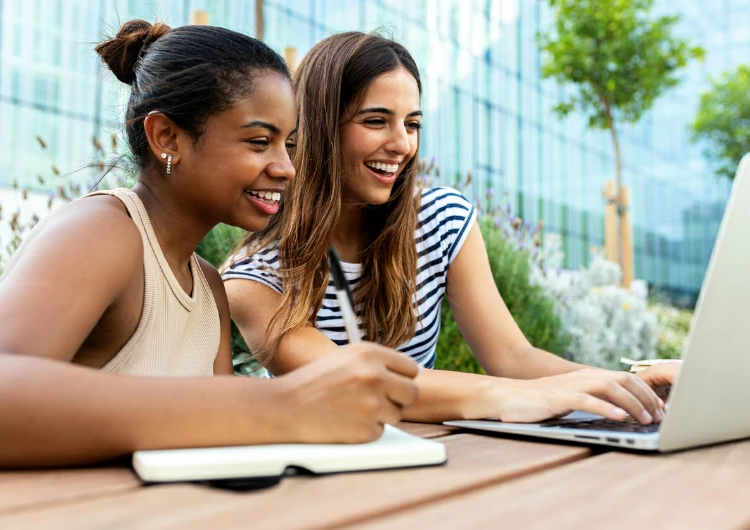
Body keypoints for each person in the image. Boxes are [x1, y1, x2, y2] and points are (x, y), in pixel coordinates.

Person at [0, 21, 420, 469]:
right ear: (167, 137)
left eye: (290, 145)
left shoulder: (208, 286)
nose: (287, 169)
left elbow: (220, 445)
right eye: (260, 141)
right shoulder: (104, 231)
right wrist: (280, 402)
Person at [222, 31, 676, 425]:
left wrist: (622, 385)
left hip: (437, 459)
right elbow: (359, 387)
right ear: (320, 127)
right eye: (376, 120)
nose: (402, 144)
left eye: (412, 123)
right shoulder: (254, 278)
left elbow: (512, 358)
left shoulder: (441, 220)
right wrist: (515, 397)